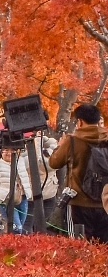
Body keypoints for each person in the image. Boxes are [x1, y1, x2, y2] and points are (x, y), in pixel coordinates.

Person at [49, 103, 108, 242]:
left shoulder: (72, 140)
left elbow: (54, 163)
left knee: (79, 246)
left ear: (80, 121)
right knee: (104, 249)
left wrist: (59, 146)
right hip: (105, 202)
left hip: (78, 202)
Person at [17, 134, 59, 234]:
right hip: (32, 197)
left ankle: (38, 246)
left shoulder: (50, 156)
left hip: (49, 195)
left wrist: (42, 139)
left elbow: (54, 144)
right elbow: (39, 163)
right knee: (27, 226)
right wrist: (37, 143)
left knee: (40, 225)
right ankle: (26, 245)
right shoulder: (26, 158)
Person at [0, 146, 27, 234]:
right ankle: (14, 246)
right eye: (6, 150)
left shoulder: (21, 161)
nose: (9, 153)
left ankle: (12, 245)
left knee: (20, 227)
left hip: (22, 197)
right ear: (1, 152)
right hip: (6, 199)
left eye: (12, 150)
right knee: (16, 228)